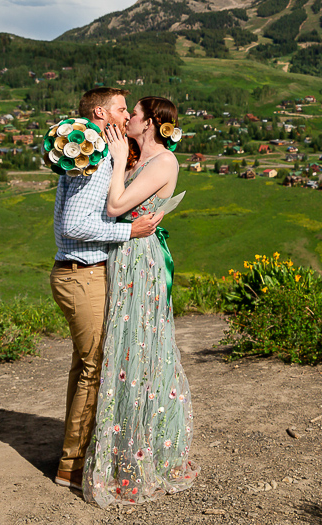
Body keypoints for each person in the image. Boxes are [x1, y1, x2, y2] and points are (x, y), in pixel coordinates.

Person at [83, 96, 198, 507]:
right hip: (123, 255)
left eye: (134, 115)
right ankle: (121, 449)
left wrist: (116, 161)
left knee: (139, 351)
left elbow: (116, 206)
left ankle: (141, 453)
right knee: (123, 349)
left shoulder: (163, 162)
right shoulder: (137, 159)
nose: (127, 118)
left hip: (140, 261)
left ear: (149, 123)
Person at [51, 87, 163, 491]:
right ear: (102, 112)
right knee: (92, 370)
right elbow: (72, 227)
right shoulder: (93, 158)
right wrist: (128, 230)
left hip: (76, 271)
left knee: (84, 368)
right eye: (120, 107)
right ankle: (71, 467)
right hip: (82, 274)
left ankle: (71, 452)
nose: (125, 113)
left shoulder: (86, 152)